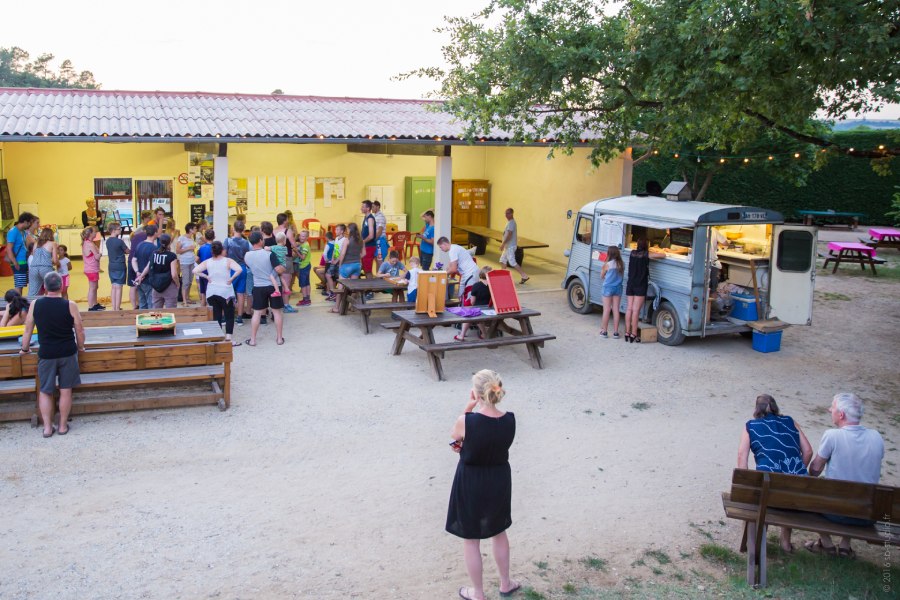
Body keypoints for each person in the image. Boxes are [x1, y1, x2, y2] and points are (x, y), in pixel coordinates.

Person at [446, 369, 520, 600]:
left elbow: (455, 438)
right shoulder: (510, 420)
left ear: (476, 393)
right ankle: (505, 583)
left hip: (471, 481)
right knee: (499, 532)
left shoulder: (467, 421)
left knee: (471, 539)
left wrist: (468, 408)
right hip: (499, 479)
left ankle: (477, 593)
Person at [806, 393, 885, 558]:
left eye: (832, 407)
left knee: (807, 493)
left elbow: (815, 470)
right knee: (856, 486)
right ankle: (845, 545)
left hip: (835, 511)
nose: (829, 410)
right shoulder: (876, 437)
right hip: (867, 514)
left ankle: (826, 543)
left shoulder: (833, 435)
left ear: (840, 415)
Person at [737, 394, 813, 553]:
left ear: (756, 410)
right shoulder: (791, 422)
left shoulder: (751, 426)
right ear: (776, 407)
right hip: (795, 493)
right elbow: (808, 452)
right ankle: (785, 543)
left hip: (769, 490)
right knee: (787, 493)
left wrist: (746, 484)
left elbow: (741, 457)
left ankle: (757, 540)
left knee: (762, 494)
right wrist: (795, 474)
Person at [20, 272, 85, 438]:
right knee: (65, 390)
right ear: (61, 287)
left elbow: (27, 329)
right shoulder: (70, 305)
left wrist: (25, 348)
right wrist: (81, 346)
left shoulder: (35, 304)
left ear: (45, 287)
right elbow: (79, 328)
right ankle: (62, 426)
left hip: (46, 352)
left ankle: (48, 428)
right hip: (67, 352)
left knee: (45, 390)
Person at [194, 241, 242, 347]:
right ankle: (228, 338)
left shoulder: (208, 262)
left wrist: (206, 277)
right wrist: (231, 278)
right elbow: (239, 269)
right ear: (222, 250)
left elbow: (195, 270)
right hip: (225, 291)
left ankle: (218, 337)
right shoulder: (228, 261)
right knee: (229, 315)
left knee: (216, 315)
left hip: (211, 291)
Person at [244, 231, 286, 346]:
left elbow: (251, 268)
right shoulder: (269, 254)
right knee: (277, 312)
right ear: (261, 241)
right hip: (274, 286)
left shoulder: (247, 255)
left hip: (258, 286)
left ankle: (252, 340)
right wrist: (283, 267)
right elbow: (279, 270)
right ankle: (279, 339)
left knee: (257, 313)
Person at [623, 238, 665, 343]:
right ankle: (634, 334)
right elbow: (663, 255)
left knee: (629, 309)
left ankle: (627, 333)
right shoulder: (646, 254)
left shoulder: (632, 253)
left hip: (630, 284)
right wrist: (656, 251)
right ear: (646, 246)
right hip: (640, 285)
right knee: (636, 311)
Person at [136, 233, 179, 309]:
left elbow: (148, 267)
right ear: (169, 242)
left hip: (156, 286)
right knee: (171, 312)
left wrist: (141, 276)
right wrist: (177, 283)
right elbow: (174, 274)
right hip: (169, 286)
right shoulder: (172, 256)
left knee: (156, 312)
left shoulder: (154, 253)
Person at [329, 223, 363, 314]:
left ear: (350, 230)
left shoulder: (347, 240)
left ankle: (336, 307)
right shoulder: (361, 240)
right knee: (353, 287)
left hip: (347, 265)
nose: (346, 231)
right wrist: (356, 257)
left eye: (347, 229)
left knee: (340, 287)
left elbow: (342, 254)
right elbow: (363, 254)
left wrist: (340, 265)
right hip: (357, 265)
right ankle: (352, 306)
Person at [224, 221, 252, 323]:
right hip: (242, 268)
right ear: (243, 230)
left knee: (227, 292)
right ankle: (239, 317)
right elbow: (247, 256)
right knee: (241, 294)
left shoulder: (228, 241)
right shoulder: (246, 242)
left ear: (233, 229)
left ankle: (226, 316)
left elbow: (224, 254)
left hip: (231, 268)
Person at [438, 237, 480, 303]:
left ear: (444, 244)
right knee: (460, 295)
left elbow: (453, 269)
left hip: (471, 273)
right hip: (466, 274)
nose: (441, 249)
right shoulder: (454, 247)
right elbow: (450, 266)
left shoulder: (452, 250)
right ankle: (460, 308)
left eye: (441, 247)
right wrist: (446, 271)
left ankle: (468, 311)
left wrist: (443, 274)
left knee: (469, 297)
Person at [456, 266, 493, 342]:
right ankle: (484, 334)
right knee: (474, 315)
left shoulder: (476, 286)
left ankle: (462, 335)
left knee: (469, 314)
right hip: (490, 309)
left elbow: (472, 302)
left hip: (479, 309)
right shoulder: (492, 285)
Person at [127, 210, 154, 309]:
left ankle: (136, 305)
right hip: (137, 261)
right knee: (135, 286)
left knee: (135, 285)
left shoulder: (137, 235)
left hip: (133, 259)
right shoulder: (143, 235)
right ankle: (136, 305)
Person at [6, 212, 35, 295]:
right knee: (19, 286)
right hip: (18, 262)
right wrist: (14, 262)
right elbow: (9, 249)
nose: (30, 225)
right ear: (25, 222)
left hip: (23, 261)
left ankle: (20, 303)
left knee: (21, 285)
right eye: (30, 223)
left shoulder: (22, 232)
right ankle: (17, 304)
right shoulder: (13, 232)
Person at [131, 225, 159, 310]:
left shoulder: (140, 244)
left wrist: (137, 272)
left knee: (142, 304)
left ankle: (141, 322)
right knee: (151, 304)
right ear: (155, 233)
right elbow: (149, 265)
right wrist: (142, 275)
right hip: (148, 279)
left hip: (139, 280)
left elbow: (133, 260)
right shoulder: (153, 248)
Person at [599, 246, 624, 339]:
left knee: (606, 310)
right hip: (618, 288)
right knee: (616, 310)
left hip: (608, 288)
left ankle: (604, 331)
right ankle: (616, 333)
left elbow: (601, 276)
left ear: (609, 254)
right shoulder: (621, 264)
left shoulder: (607, 264)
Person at [499, 208, 529, 284]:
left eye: (508, 213)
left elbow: (509, 235)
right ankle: (503, 276)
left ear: (512, 213)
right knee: (503, 260)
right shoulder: (509, 222)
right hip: (507, 246)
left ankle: (524, 276)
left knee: (512, 262)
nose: (506, 215)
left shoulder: (511, 223)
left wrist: (502, 244)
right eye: (505, 213)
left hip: (510, 246)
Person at [27, 228, 57, 300]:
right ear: (51, 235)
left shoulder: (36, 243)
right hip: (46, 268)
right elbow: (55, 260)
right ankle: (48, 307)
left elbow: (34, 255)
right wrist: (49, 261)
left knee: (32, 292)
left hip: (34, 268)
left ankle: (29, 308)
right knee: (50, 289)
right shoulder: (53, 243)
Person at [105, 222, 128, 311]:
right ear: (114, 230)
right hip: (120, 265)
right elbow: (127, 251)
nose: (120, 230)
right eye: (119, 229)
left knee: (114, 286)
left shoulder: (108, 241)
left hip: (111, 265)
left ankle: (114, 307)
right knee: (119, 287)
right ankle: (117, 308)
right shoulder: (120, 241)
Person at [271, 232, 297, 313]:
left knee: (272, 276)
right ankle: (286, 289)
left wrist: (267, 247)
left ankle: (277, 290)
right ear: (285, 241)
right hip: (284, 265)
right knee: (282, 277)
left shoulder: (274, 247)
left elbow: (268, 249)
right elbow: (287, 254)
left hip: (278, 266)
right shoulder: (285, 248)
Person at [81, 226, 104, 311]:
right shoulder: (89, 244)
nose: (96, 233)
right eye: (94, 232)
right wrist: (100, 254)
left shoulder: (88, 242)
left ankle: (95, 303)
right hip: (91, 269)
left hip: (92, 268)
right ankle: (91, 306)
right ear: (90, 234)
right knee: (92, 288)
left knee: (95, 287)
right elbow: (97, 257)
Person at [177, 222, 198, 305]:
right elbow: (178, 250)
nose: (196, 230)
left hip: (192, 261)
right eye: (195, 228)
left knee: (189, 281)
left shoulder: (192, 238)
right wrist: (188, 248)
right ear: (190, 230)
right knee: (185, 282)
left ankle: (187, 297)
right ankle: (184, 300)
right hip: (184, 262)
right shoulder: (181, 238)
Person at [325, 224, 346, 302]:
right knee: (328, 275)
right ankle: (333, 293)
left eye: (337, 230)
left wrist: (337, 261)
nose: (335, 231)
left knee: (339, 278)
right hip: (334, 261)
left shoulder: (344, 240)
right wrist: (333, 259)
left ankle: (338, 295)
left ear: (342, 231)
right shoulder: (336, 238)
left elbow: (342, 253)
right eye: (335, 229)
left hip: (340, 262)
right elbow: (335, 250)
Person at [196, 228, 215, 306]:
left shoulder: (201, 248)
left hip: (202, 272)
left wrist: (201, 264)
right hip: (211, 273)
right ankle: (211, 312)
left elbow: (197, 259)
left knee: (203, 293)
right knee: (211, 294)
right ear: (214, 237)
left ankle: (202, 312)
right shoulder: (214, 248)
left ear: (205, 237)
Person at [294, 229, 312, 307]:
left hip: (304, 266)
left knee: (303, 284)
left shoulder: (305, 245)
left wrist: (296, 251)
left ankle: (305, 300)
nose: (302, 237)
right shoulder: (305, 244)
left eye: (304, 236)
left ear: (307, 237)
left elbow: (303, 257)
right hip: (307, 265)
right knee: (307, 282)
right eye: (301, 235)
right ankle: (308, 298)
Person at [360, 200, 378, 277]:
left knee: (368, 270)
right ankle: (367, 287)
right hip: (365, 246)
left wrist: (363, 242)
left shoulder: (370, 219)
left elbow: (371, 235)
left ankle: (370, 287)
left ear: (368, 208)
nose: (361, 208)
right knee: (365, 268)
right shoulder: (366, 217)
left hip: (369, 247)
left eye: (363, 207)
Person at [707, 227, 728, 291]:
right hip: (712, 262)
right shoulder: (713, 230)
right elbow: (725, 243)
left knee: (703, 288)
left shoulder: (696, 228)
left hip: (703, 262)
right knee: (713, 289)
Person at [372, 200, 389, 269]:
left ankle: (381, 278)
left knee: (380, 262)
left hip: (380, 241)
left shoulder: (381, 217)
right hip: (377, 241)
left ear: (378, 207)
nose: (371, 208)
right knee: (377, 260)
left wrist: (372, 241)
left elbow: (379, 232)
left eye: (373, 207)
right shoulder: (375, 216)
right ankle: (378, 278)